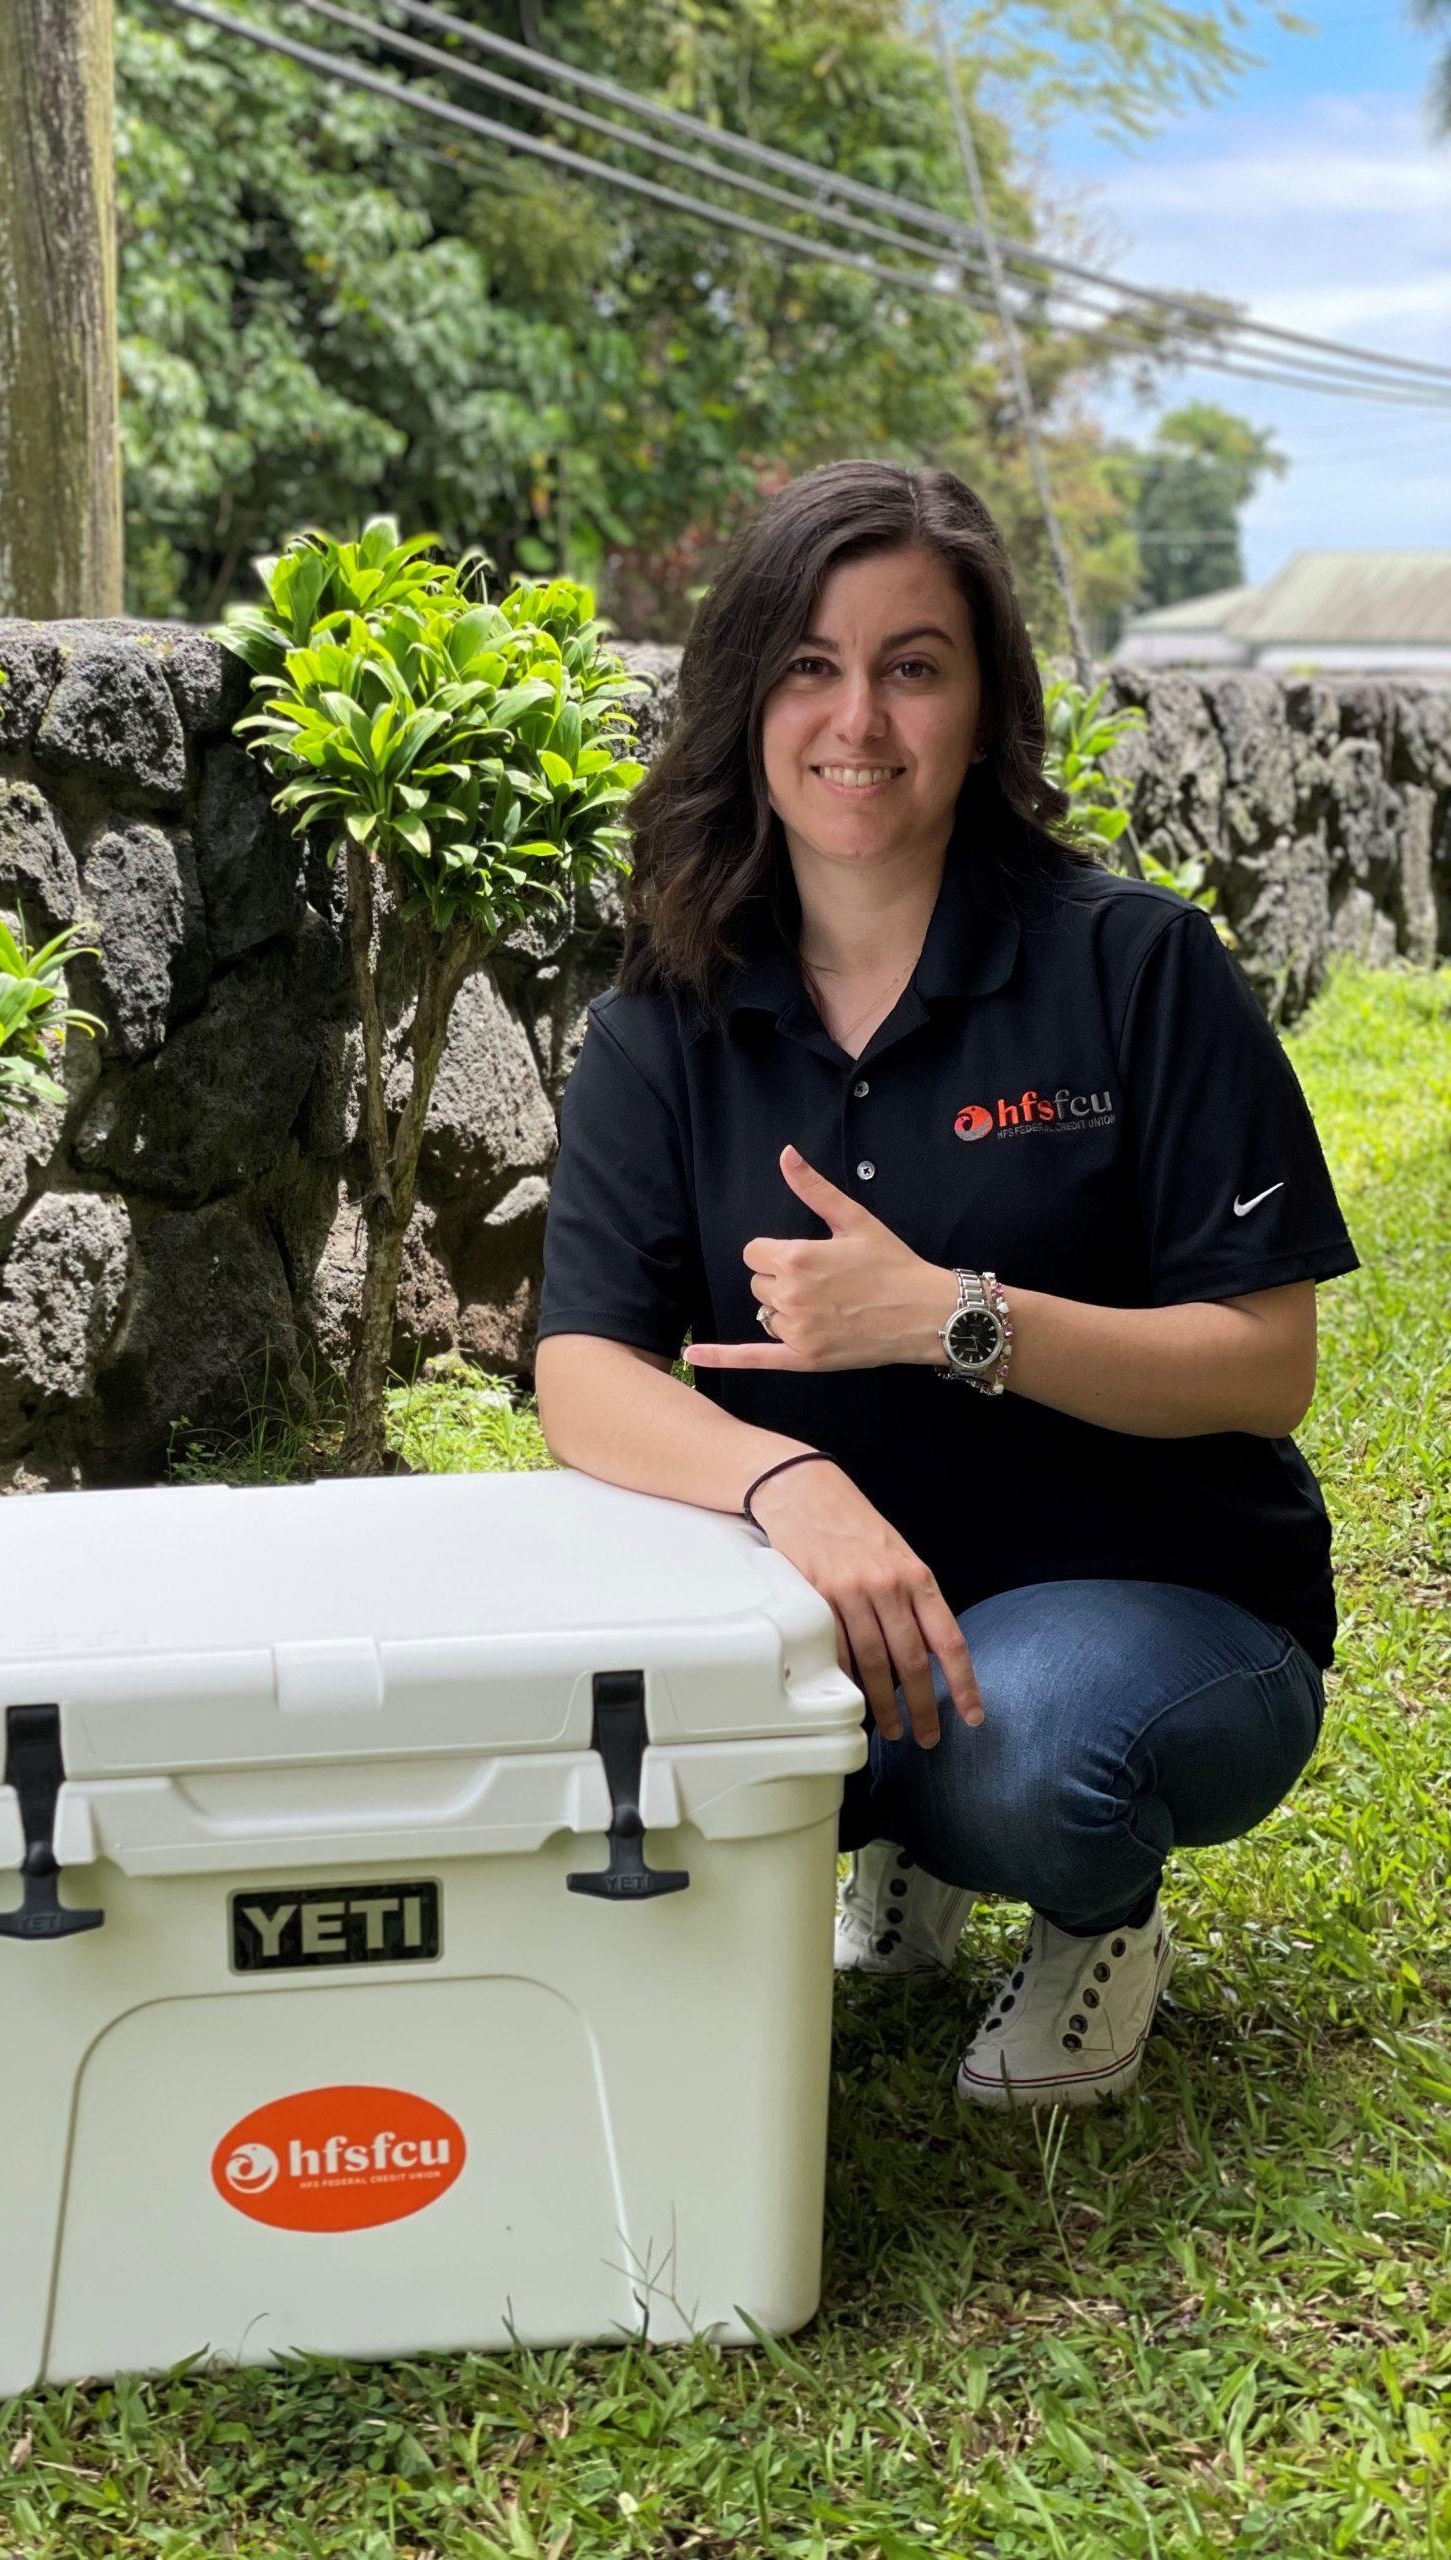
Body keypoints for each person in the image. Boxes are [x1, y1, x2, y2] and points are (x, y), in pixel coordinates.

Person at [531, 460, 1360, 2111]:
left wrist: (948, 1319)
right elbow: (584, 1371)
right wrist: (791, 1481)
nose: (861, 720)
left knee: (1037, 1752)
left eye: (915, 666)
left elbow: (1264, 1363)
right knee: (596, 1732)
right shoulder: (665, 1023)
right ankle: (900, 1823)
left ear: (984, 711)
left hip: (1153, 1595)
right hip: (821, 1598)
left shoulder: (1134, 968)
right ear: (747, 704)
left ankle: (1086, 1909)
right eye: (810, 667)